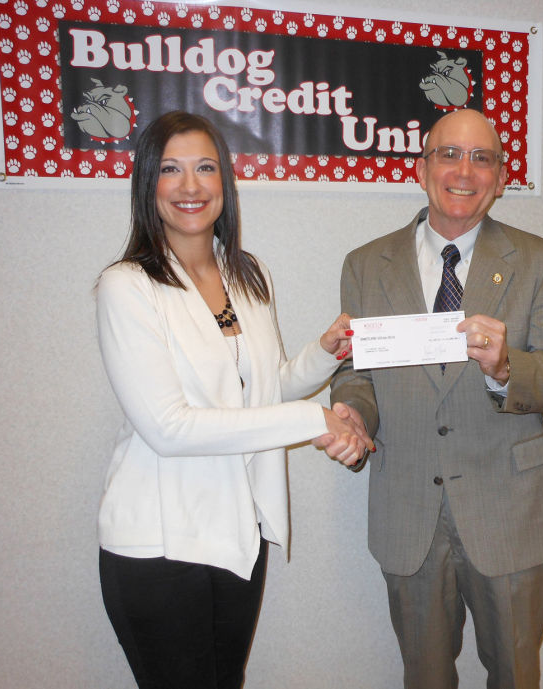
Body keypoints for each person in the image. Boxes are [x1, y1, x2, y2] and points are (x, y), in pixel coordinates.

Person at [95, 110, 371, 689]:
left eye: (205, 168)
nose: (190, 186)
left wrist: (324, 354)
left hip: (236, 532)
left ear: (226, 182)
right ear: (148, 184)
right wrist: (313, 419)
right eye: (171, 169)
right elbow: (170, 428)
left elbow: (260, 389)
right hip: (159, 544)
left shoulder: (247, 274)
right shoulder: (128, 285)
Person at [324, 109, 543, 689]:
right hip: (407, 506)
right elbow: (356, 371)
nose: (464, 171)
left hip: (510, 510)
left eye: (482, 158)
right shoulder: (366, 264)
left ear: (498, 177)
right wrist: (352, 414)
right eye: (449, 154)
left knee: (516, 674)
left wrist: (507, 366)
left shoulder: (541, 261)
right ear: (422, 168)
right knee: (424, 676)